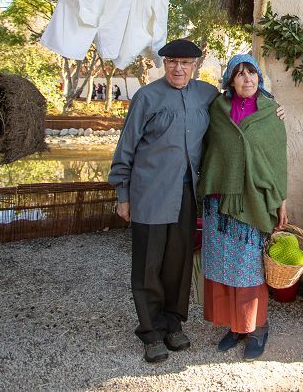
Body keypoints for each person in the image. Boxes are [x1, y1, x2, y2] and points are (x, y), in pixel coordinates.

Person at [108, 38, 217, 363]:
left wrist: (270, 103)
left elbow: (242, 100)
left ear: (195, 65)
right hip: (150, 194)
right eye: (172, 62)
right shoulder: (146, 97)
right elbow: (125, 147)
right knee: (148, 265)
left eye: (185, 63)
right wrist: (123, 195)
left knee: (178, 264)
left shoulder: (206, 95)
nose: (179, 68)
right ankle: (151, 332)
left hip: (186, 195)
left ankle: (173, 323)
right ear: (164, 64)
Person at [197, 54, 288, 360]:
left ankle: (257, 328)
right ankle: (235, 326)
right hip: (219, 204)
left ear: (258, 78)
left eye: (252, 73)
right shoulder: (218, 110)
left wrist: (281, 202)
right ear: (230, 81)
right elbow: (207, 148)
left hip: (252, 203)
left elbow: (277, 162)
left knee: (250, 270)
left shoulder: (271, 113)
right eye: (240, 74)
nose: (247, 79)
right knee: (223, 266)